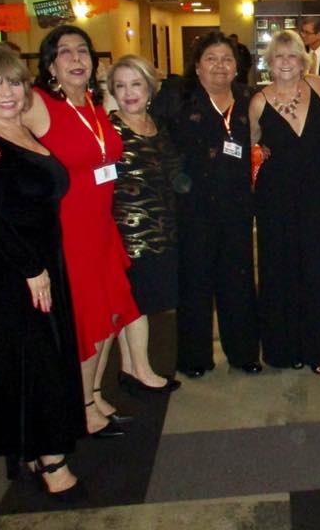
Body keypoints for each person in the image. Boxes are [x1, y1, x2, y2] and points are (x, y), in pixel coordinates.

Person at [0, 25, 167, 438]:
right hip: (70, 232)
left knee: (109, 317)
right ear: (50, 64)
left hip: (102, 228)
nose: (75, 58)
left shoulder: (93, 102)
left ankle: (92, 394)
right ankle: (81, 406)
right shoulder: (39, 102)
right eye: (64, 52)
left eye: (82, 50)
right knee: (88, 323)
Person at [0, 42, 84, 498]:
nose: (7, 92)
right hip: (12, 268)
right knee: (37, 361)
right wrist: (32, 269)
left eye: (13, 82)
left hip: (38, 259)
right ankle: (52, 460)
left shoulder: (18, 128)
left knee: (35, 360)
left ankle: (33, 446)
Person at [151, 31, 262, 377]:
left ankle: (243, 353)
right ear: (197, 66)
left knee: (238, 281)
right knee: (194, 283)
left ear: (237, 66)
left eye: (227, 59)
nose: (220, 65)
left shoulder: (248, 98)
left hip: (237, 208)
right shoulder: (177, 98)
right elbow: (154, 139)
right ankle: (194, 358)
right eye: (211, 58)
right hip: (192, 208)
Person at [249, 30, 320, 373]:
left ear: (303, 62)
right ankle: (284, 349)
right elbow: (250, 150)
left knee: (317, 270)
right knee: (279, 271)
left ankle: (318, 349)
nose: (285, 62)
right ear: (269, 63)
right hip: (275, 200)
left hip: (316, 196)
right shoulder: (259, 102)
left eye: (292, 56)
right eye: (279, 57)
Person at [108, 56, 183, 395]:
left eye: (135, 84)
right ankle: (141, 370)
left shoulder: (157, 123)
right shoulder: (108, 129)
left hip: (160, 229)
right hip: (126, 233)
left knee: (139, 303)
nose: (129, 93)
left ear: (150, 88)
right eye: (120, 86)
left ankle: (129, 369)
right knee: (136, 302)